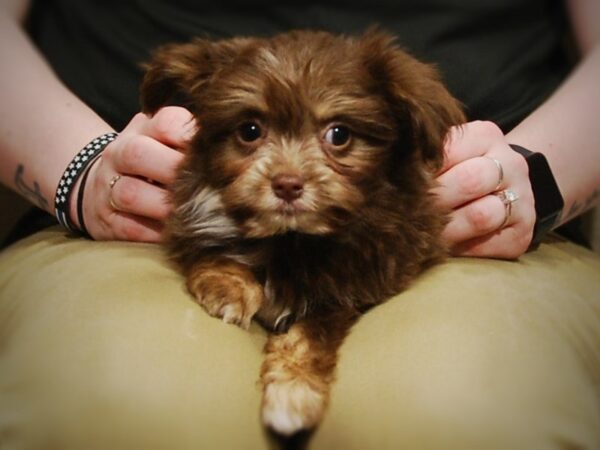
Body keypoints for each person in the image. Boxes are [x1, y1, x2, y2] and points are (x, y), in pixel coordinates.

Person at [0, 1, 599, 449]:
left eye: (337, 138)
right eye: (254, 134)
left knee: (457, 417)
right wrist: (73, 168)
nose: (289, 172)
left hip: (476, 225)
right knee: (120, 412)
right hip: (134, 214)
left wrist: (541, 178)